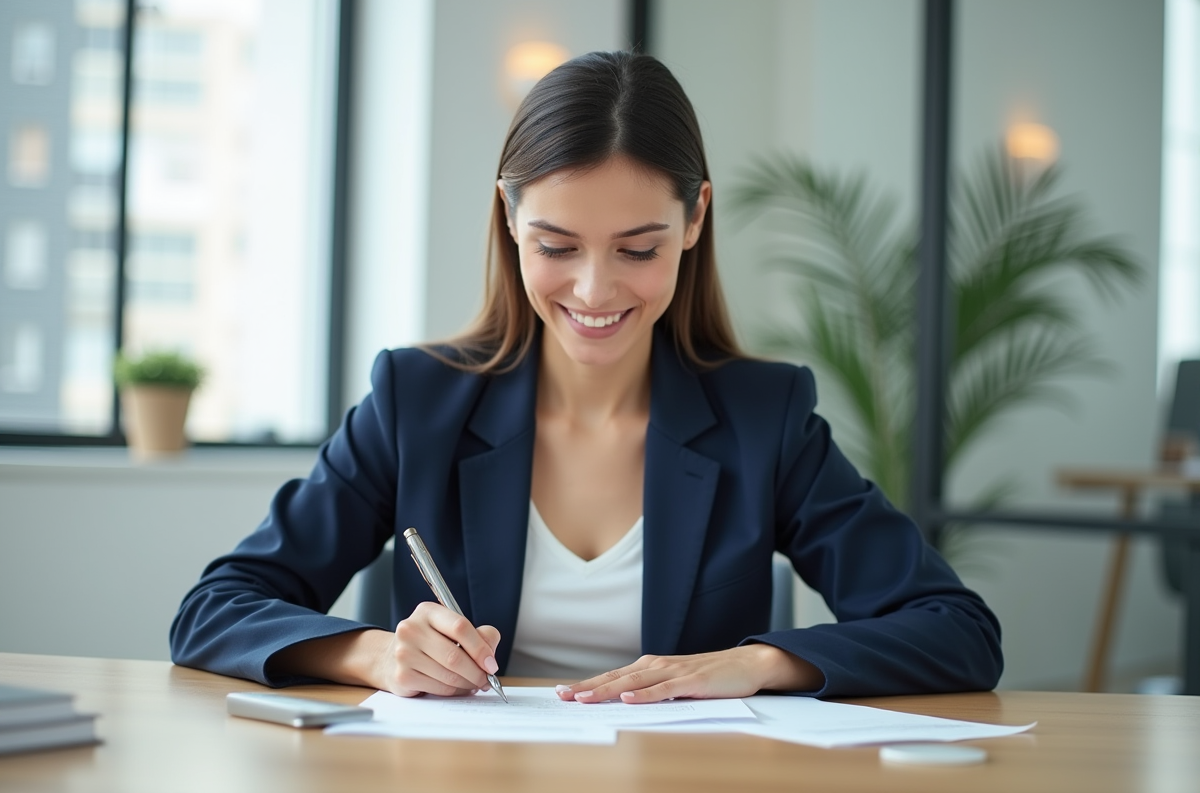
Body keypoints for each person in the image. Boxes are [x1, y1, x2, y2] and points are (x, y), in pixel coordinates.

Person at [170, 50, 1002, 703]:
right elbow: (215, 608)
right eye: (556, 246)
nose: (595, 292)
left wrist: (754, 665)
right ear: (508, 216)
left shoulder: (764, 418)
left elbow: (956, 630)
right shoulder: (415, 402)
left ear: (696, 218)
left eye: (638, 249)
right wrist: (378, 654)